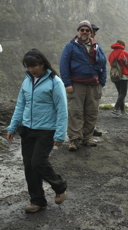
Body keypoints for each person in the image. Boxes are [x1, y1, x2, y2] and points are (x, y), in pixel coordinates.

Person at [6, 49, 68, 213]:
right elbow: (20, 105)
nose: (31, 70)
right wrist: (12, 127)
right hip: (27, 129)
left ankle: (59, 186)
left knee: (38, 162)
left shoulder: (55, 82)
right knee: (29, 166)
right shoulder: (27, 81)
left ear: (42, 64)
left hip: (46, 130)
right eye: (28, 66)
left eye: (34, 66)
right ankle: (37, 201)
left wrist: (60, 134)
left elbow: (62, 110)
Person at [60, 20, 107, 151]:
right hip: (76, 85)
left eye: (87, 30)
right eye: (82, 30)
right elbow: (64, 65)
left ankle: (88, 138)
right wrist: (67, 83)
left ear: (91, 33)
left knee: (91, 112)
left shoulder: (97, 47)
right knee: (75, 112)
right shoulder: (70, 46)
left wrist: (102, 82)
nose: (85, 32)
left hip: (93, 85)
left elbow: (103, 64)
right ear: (78, 31)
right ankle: (74, 139)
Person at [108, 40, 128, 116]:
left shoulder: (111, 53)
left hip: (115, 75)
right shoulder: (124, 53)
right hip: (124, 75)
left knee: (120, 93)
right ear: (122, 45)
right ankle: (115, 108)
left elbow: (110, 62)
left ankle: (122, 111)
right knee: (123, 93)